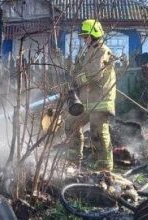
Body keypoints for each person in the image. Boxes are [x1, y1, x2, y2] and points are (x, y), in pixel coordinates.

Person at [65, 19, 116, 171]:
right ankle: (74, 161)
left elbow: (95, 75)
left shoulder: (101, 51)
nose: (83, 39)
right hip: (86, 101)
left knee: (98, 132)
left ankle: (105, 170)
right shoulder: (89, 52)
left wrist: (77, 79)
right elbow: (81, 73)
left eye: (86, 36)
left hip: (100, 100)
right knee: (70, 124)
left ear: (94, 35)